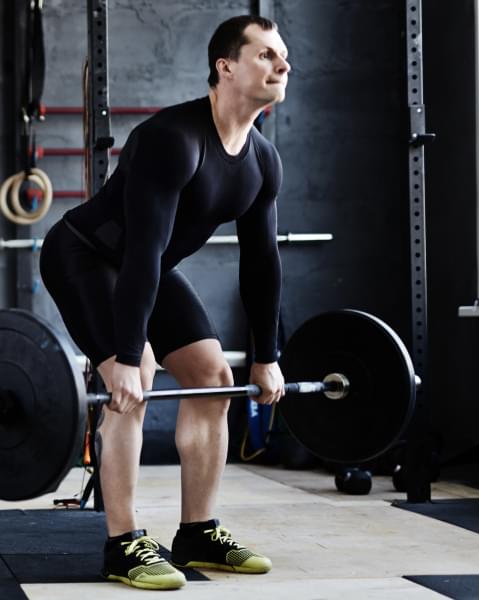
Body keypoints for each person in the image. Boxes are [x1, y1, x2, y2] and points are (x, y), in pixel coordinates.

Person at [40, 14, 291, 590]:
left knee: (212, 376)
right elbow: (144, 251)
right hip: (84, 257)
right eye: (266, 54)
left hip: (145, 267)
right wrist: (127, 358)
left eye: (283, 56)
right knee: (136, 381)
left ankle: (198, 532)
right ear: (226, 67)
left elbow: (261, 264)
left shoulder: (262, 161)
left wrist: (265, 356)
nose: (283, 65)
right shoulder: (172, 139)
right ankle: (123, 543)